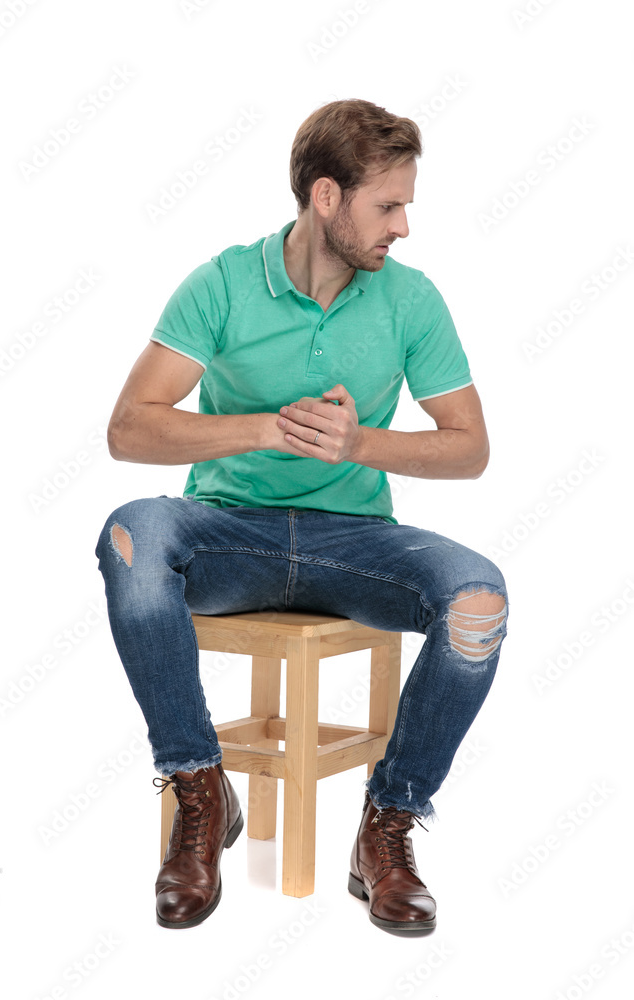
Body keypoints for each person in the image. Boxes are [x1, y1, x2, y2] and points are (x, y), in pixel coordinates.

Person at [95, 98, 508, 933]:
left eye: (404, 206)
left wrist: (360, 445)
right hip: (228, 534)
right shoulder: (221, 283)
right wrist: (262, 426)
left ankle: (385, 828)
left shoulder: (410, 300)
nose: (402, 227)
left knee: (477, 598)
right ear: (327, 197)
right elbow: (128, 428)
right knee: (131, 534)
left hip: (354, 544)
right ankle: (201, 795)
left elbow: (469, 449)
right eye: (387, 206)